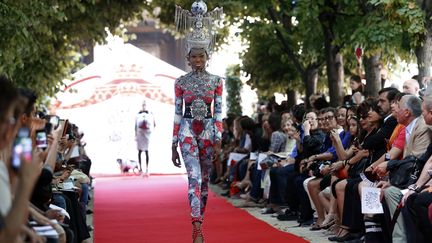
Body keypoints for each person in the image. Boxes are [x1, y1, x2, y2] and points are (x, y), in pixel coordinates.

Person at [171, 2, 223, 243]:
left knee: (205, 182)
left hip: (210, 133)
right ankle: (196, 225)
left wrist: (220, 140)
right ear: (188, 58)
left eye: (202, 55)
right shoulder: (180, 82)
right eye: (194, 56)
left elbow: (219, 112)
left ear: (207, 57)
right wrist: (173, 143)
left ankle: (199, 218)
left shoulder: (216, 82)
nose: (198, 59)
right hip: (187, 132)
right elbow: (177, 113)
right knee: (194, 177)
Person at [135, 99, 155, 175]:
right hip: (140, 133)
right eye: (142, 105)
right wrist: (135, 135)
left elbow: (153, 124)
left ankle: (147, 168)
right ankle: (140, 168)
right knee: (139, 151)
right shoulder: (138, 114)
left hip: (147, 134)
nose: (144, 106)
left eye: (145, 105)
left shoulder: (150, 114)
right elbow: (135, 125)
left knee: (146, 151)